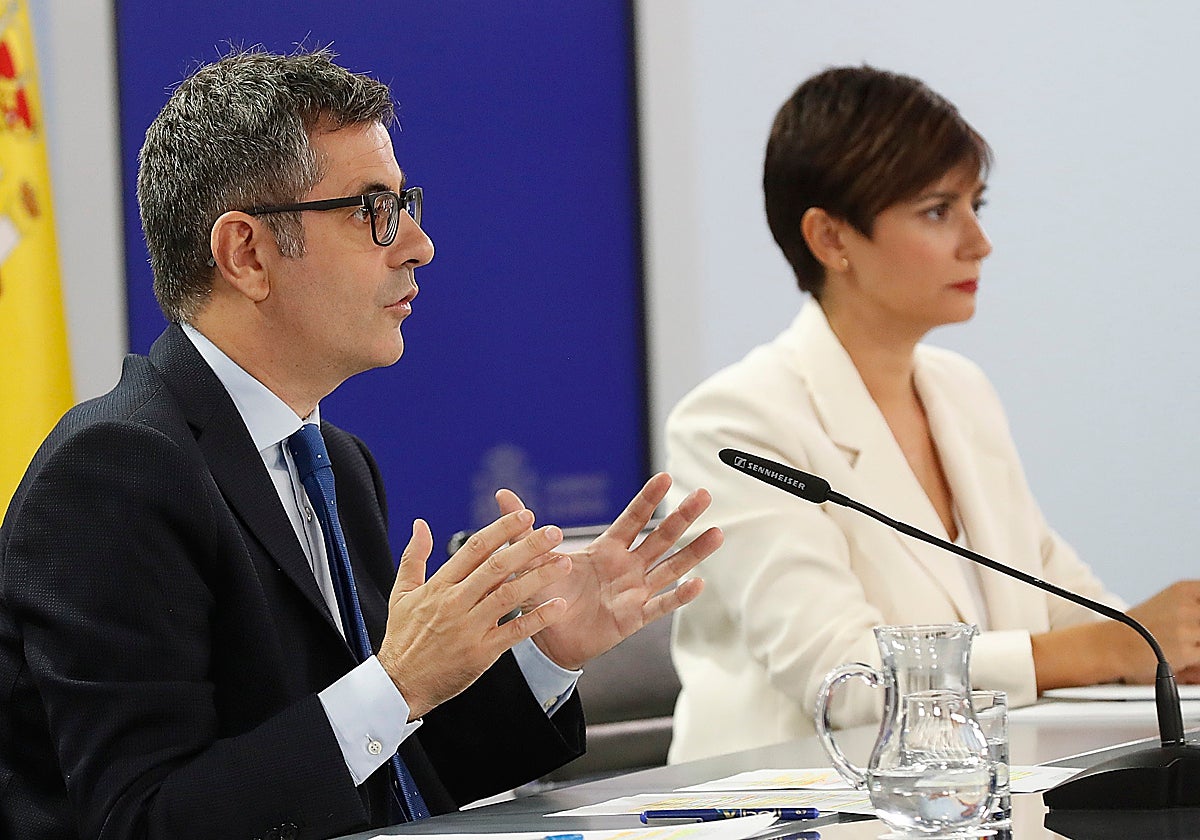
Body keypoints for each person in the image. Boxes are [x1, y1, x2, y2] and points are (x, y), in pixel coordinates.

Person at [0, 48, 722, 839]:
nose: (418, 244)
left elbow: (388, 771)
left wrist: (541, 651)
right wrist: (398, 680)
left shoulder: (337, 464)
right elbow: (144, 822)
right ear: (247, 254)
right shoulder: (113, 471)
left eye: (405, 202)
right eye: (373, 209)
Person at [664, 65, 1200, 763]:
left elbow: (1077, 611)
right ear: (831, 238)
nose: (979, 243)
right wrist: (1106, 648)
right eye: (938, 211)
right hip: (794, 811)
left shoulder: (960, 391)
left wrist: (1166, 647)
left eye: (977, 206)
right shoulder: (734, 424)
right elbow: (844, 684)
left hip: (966, 801)